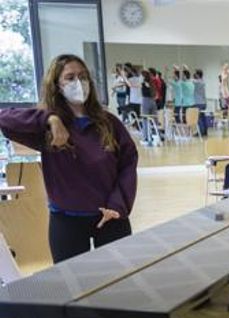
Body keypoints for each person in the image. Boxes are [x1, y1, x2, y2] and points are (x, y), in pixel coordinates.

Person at [0, 54, 138, 263]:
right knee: (70, 279)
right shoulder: (47, 127)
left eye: (83, 77)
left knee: (119, 276)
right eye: (70, 77)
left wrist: (118, 204)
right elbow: (5, 119)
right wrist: (50, 118)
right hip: (66, 221)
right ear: (57, 85)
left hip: (110, 216)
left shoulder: (109, 123)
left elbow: (128, 164)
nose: (78, 83)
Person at [193, 69, 208, 137]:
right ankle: (205, 132)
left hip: (198, 103)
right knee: (203, 117)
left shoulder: (197, 82)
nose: (194, 75)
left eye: (195, 74)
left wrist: (186, 70)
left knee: (198, 118)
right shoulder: (203, 81)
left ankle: (201, 132)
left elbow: (188, 79)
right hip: (204, 103)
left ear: (198, 75)